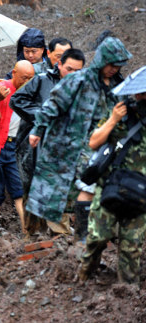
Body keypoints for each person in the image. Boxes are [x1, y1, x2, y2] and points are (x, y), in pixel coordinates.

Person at [26, 37, 132, 227]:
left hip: (96, 146)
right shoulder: (79, 80)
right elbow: (52, 105)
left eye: (117, 66)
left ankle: (88, 234)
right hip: (66, 144)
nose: (114, 69)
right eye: (111, 65)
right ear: (102, 60)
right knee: (50, 195)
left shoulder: (117, 88)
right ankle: (34, 233)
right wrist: (37, 129)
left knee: (94, 187)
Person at [10, 49, 86, 234]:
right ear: (59, 65)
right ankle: (32, 237)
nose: (73, 74)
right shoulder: (42, 80)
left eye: (78, 71)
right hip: (35, 146)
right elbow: (17, 100)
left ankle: (59, 236)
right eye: (69, 69)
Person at [79, 89, 146, 284]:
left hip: (140, 191)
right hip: (112, 185)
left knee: (131, 246)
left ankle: (127, 292)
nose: (141, 98)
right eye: (139, 94)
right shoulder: (120, 113)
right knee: (98, 237)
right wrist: (113, 119)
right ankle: (84, 275)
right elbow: (93, 142)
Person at [0, 60, 34, 235]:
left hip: (15, 146)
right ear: (14, 73)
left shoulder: (30, 93)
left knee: (19, 190)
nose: (27, 81)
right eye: (24, 78)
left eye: (31, 78)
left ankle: (26, 231)